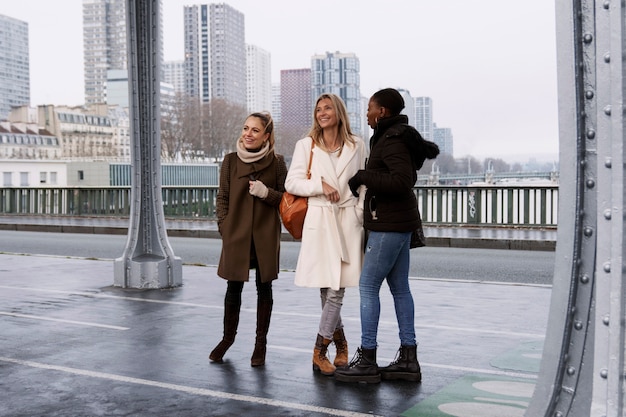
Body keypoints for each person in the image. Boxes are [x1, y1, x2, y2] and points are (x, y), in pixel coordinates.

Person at [334, 88, 439, 383]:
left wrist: (363, 176)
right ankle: (408, 358)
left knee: (368, 287)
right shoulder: (394, 136)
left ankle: (367, 359)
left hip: (388, 225)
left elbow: (402, 181)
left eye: (370, 108)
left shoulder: (391, 140)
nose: (366, 113)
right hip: (400, 223)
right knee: (400, 289)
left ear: (382, 112)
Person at [285, 93, 368, 376]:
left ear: (338, 112)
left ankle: (319, 351)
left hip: (347, 220)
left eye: (328, 107)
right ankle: (341, 345)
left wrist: (359, 212)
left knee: (336, 289)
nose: (322, 112)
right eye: (318, 109)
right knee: (328, 287)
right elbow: (292, 182)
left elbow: (365, 183)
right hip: (320, 220)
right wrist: (320, 185)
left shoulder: (357, 145)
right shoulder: (306, 145)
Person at [209, 111, 287, 367]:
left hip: (265, 235)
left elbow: (287, 201)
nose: (248, 134)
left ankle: (260, 344)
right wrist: (225, 225)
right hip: (236, 234)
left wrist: (266, 193)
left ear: (266, 135)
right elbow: (222, 197)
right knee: (233, 288)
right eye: (245, 128)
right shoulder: (230, 161)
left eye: (255, 130)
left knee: (264, 287)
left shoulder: (277, 163)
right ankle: (227, 338)